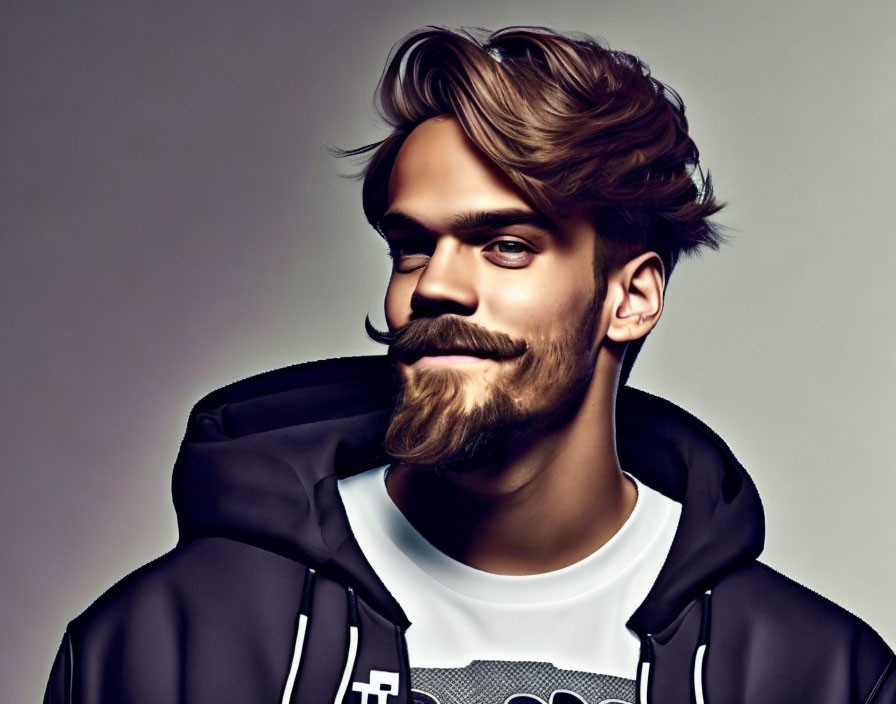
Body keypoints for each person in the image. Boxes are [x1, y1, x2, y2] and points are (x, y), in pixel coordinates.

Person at [44, 26, 894, 704]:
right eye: (412, 247)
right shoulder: (170, 640)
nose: (435, 287)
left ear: (630, 297)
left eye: (507, 245)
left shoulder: (816, 675)